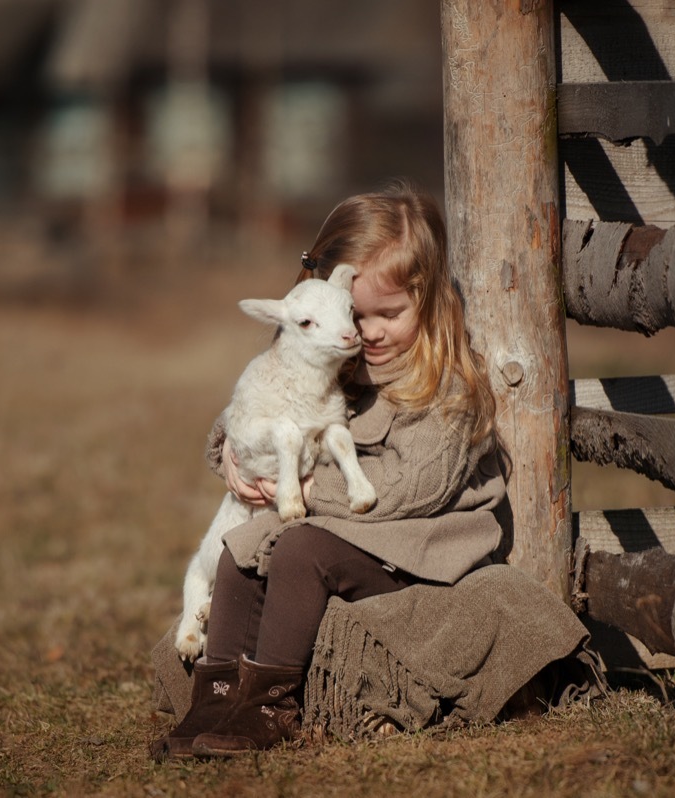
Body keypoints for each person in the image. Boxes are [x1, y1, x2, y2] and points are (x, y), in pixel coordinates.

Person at [151, 180, 507, 760]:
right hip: (345, 536)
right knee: (245, 545)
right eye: (353, 314)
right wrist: (237, 457)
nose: (366, 332)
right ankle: (216, 698)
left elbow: (406, 489)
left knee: (298, 550)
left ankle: (270, 707)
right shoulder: (334, 358)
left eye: (388, 314)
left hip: (416, 553)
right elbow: (259, 402)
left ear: (430, 300)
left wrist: (312, 489)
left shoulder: (447, 388)